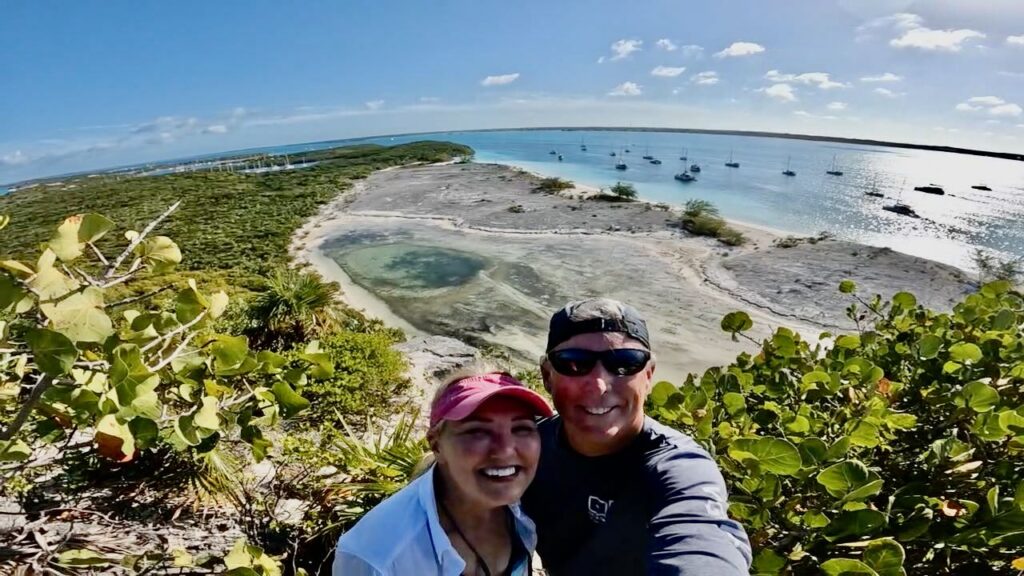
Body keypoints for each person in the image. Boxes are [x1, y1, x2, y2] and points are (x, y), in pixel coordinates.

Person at [522, 298, 752, 575]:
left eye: (624, 363)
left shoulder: (678, 467)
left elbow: (701, 541)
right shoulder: (526, 446)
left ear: (649, 375)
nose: (599, 385)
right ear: (547, 377)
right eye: (574, 363)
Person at [333, 369, 553, 576]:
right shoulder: (378, 556)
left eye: (521, 428)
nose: (505, 450)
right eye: (477, 431)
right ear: (436, 445)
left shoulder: (536, 497)